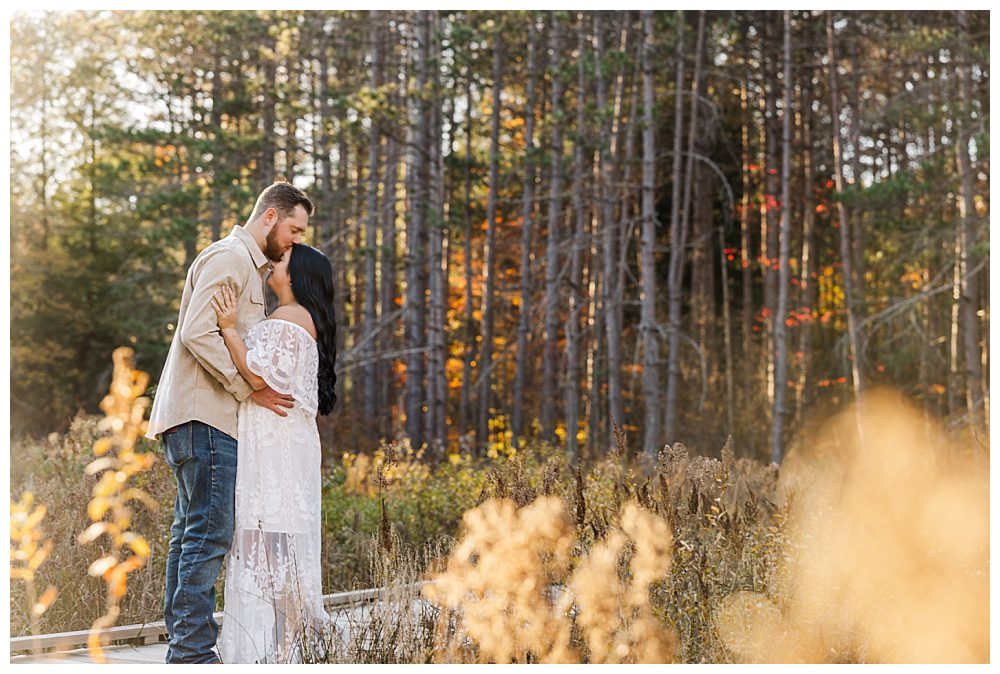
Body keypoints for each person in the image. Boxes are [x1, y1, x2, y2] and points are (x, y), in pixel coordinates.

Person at [145, 180, 312, 664]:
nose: (296, 241)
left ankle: (184, 645)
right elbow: (198, 332)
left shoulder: (244, 265)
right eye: (294, 229)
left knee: (190, 531)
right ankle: (193, 652)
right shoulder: (232, 258)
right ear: (269, 217)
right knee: (210, 532)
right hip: (206, 416)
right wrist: (250, 390)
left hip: (197, 417)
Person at [211, 242, 338, 663]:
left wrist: (228, 328)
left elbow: (257, 372)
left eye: (280, 260)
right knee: (269, 542)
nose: (272, 264)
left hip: (276, 443)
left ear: (297, 274)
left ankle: (289, 643)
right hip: (283, 438)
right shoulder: (299, 318)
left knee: (264, 540)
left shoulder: (289, 317)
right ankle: (286, 645)